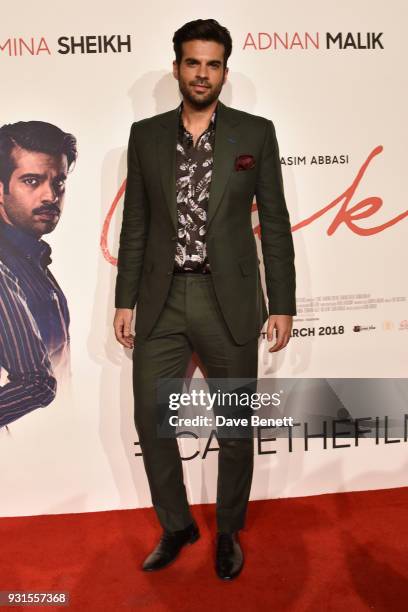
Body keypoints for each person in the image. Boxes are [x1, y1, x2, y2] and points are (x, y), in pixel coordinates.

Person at [113, 19, 296, 580]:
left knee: (237, 425)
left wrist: (283, 302)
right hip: (163, 298)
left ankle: (229, 531)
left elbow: (277, 222)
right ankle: (177, 525)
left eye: (213, 64)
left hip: (231, 299)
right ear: (176, 67)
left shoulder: (255, 133)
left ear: (224, 71)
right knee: (151, 416)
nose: (202, 73)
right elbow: (137, 224)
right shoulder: (145, 136)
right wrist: (125, 300)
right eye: (192, 62)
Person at [0, 121, 77, 429]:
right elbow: (36, 384)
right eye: (31, 181)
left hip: (53, 456)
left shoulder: (34, 260)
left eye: (58, 183)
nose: (50, 195)